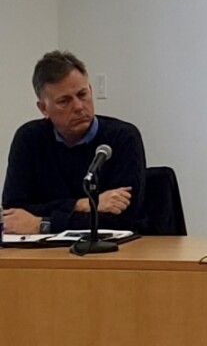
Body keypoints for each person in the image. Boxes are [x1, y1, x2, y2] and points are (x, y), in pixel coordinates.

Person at [2, 50, 147, 234]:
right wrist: (83, 204)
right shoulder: (29, 138)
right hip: (44, 254)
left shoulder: (123, 138)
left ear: (91, 91)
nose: (78, 107)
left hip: (113, 254)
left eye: (82, 94)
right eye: (64, 101)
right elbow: (13, 214)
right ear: (43, 108)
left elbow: (123, 221)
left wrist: (44, 224)